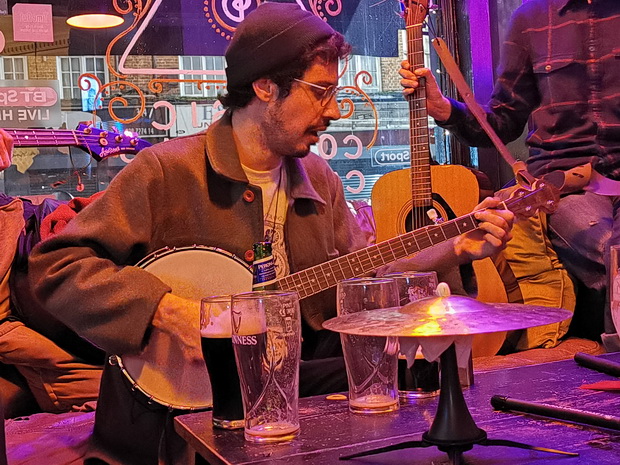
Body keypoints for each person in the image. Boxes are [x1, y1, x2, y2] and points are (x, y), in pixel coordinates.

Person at [20, 3, 512, 464]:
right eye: (321, 92)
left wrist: (456, 248)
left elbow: (367, 274)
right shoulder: (166, 171)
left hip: (289, 383)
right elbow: (57, 266)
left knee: (412, 373)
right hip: (179, 403)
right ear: (264, 87)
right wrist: (166, 310)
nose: (336, 111)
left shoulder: (319, 178)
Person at [400, 0, 620, 351]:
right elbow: (502, 120)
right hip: (566, 188)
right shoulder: (530, 18)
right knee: (612, 255)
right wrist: (444, 109)